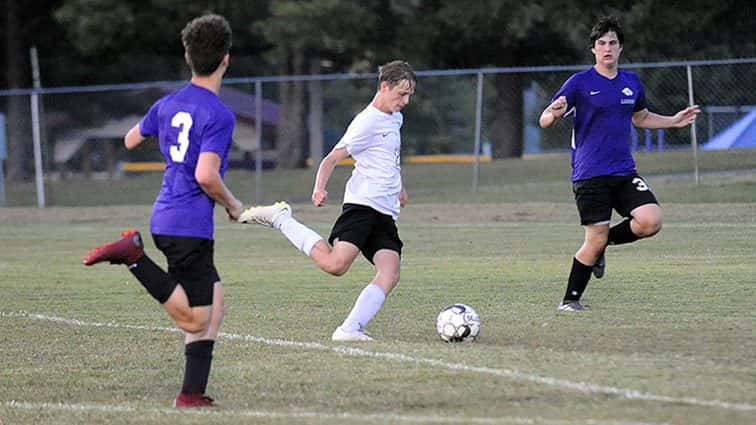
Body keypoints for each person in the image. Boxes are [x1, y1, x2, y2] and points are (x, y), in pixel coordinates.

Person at [82, 14, 243, 407]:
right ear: (226, 58)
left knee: (214, 304)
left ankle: (191, 394)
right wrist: (233, 204)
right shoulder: (219, 114)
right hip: (188, 225)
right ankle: (133, 256)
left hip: (167, 215)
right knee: (195, 319)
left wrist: (171, 140)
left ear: (188, 56)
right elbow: (206, 176)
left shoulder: (168, 103)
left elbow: (131, 140)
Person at [240, 60, 416, 341]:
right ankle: (281, 219)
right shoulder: (366, 122)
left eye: (409, 95)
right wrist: (319, 188)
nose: (406, 101)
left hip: (385, 211)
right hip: (363, 206)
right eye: (402, 94)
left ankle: (349, 329)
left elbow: (388, 157)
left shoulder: (395, 117)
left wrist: (400, 187)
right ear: (384, 87)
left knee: (390, 271)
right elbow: (332, 158)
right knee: (336, 265)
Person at [539, 16, 700, 312]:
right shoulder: (579, 83)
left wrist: (674, 122)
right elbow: (545, 120)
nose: (607, 48)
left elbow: (640, 118)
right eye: (601, 44)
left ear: (620, 48)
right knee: (594, 238)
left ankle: (602, 247)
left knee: (651, 221)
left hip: (624, 171)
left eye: (612, 42)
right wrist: (552, 112)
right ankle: (570, 300)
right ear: (593, 50)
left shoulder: (631, 82)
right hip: (590, 175)